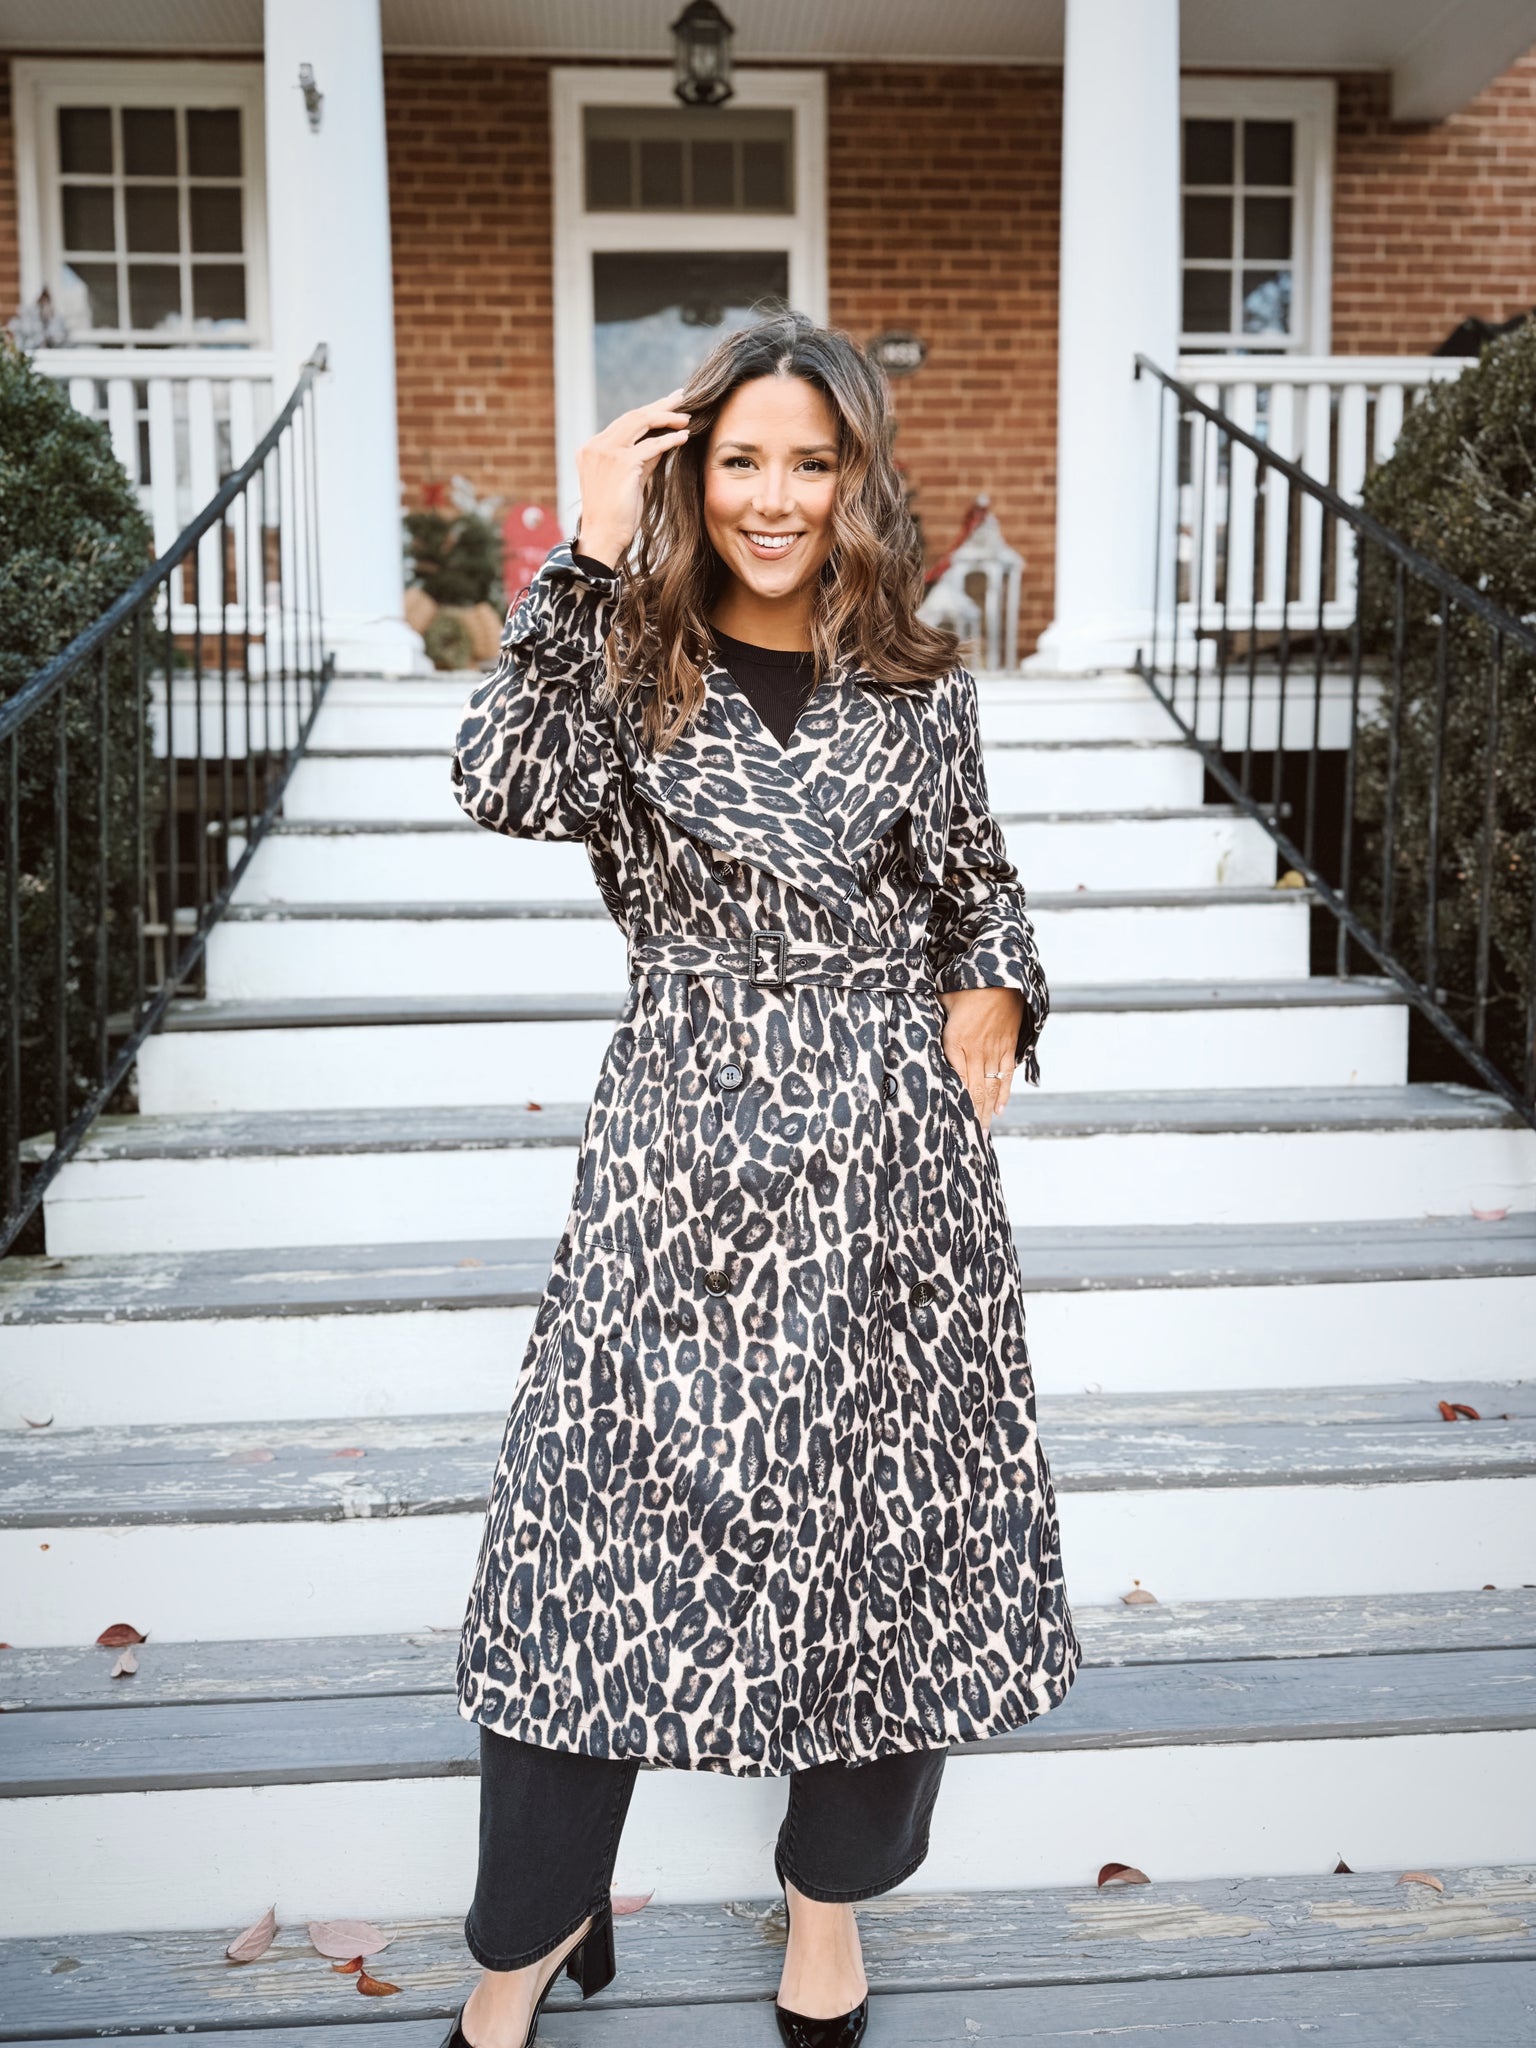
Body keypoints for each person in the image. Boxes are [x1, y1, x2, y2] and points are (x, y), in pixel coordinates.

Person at [443, 311, 1079, 2048]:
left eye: (812, 462)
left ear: (857, 476)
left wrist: (997, 988)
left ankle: (827, 1904)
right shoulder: (627, 651)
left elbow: (978, 881)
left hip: (888, 1163)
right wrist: (585, 551)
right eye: (741, 461)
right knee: (586, 1531)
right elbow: (501, 784)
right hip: (684, 1146)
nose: (776, 498)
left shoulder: (918, 681)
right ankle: (530, 1926)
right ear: (688, 472)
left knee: (890, 1535)